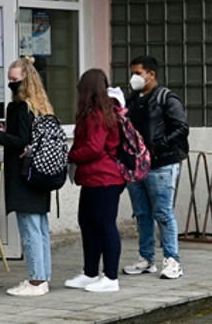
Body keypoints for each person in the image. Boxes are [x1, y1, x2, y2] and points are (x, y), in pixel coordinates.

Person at [0, 57, 54, 296]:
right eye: (10, 80)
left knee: (30, 228)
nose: (11, 84)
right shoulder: (41, 105)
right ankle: (43, 277)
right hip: (41, 173)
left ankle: (36, 281)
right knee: (40, 228)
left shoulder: (19, 107)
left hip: (24, 174)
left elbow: (21, 141)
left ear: (26, 80)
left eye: (15, 80)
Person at [122, 55, 189, 280]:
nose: (134, 77)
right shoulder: (132, 100)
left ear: (152, 74)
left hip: (162, 164)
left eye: (138, 73)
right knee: (142, 213)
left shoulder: (166, 98)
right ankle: (146, 258)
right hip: (136, 165)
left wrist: (157, 147)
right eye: (132, 72)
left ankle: (172, 260)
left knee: (162, 212)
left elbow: (181, 128)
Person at [65, 69, 127, 293]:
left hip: (104, 179)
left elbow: (93, 148)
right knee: (89, 225)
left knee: (104, 226)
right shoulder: (102, 111)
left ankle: (110, 277)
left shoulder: (97, 115)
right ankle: (90, 272)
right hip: (96, 179)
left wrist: (70, 156)